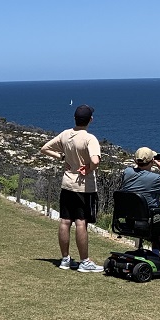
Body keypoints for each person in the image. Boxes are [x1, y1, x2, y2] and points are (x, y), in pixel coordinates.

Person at [39, 104, 103, 273]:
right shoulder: (90, 139)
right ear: (90, 120)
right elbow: (95, 161)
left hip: (67, 184)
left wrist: (61, 157)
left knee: (65, 221)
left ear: (75, 119)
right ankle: (84, 261)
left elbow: (44, 148)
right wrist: (88, 168)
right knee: (81, 222)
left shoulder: (65, 134)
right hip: (84, 186)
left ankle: (65, 259)